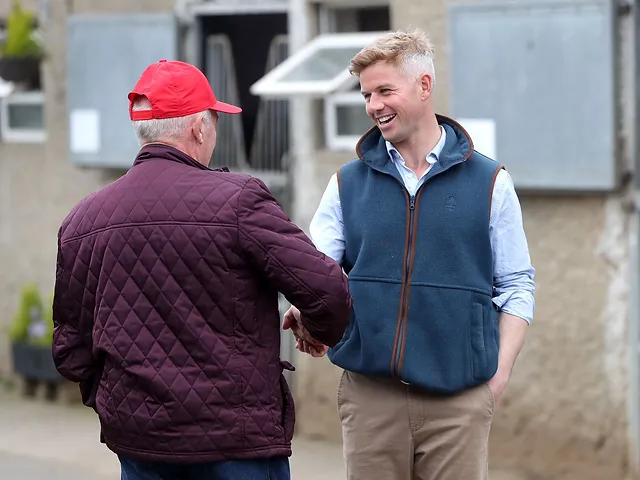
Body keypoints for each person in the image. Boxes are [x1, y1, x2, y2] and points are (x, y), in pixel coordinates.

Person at [51, 59, 352, 480]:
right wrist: (317, 330)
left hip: (139, 446)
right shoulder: (239, 200)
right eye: (214, 122)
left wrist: (119, 400)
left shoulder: (82, 220)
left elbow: (70, 350)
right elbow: (328, 291)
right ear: (198, 128)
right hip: (235, 446)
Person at [285, 29, 536, 479]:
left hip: (459, 402)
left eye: (384, 90)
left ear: (424, 86)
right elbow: (319, 275)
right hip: (370, 399)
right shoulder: (347, 183)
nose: (373, 105)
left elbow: (517, 285)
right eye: (366, 95)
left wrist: (494, 381)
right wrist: (309, 313)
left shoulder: (491, 182)